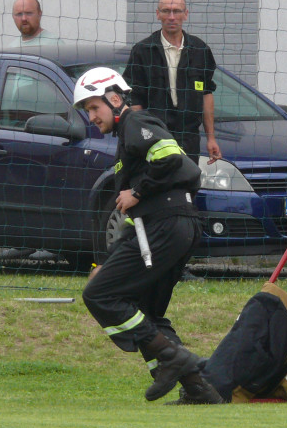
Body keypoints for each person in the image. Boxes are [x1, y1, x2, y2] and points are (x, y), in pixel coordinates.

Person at [74, 66, 221, 404]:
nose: (92, 117)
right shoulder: (128, 137)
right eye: (88, 111)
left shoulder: (135, 124)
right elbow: (131, 222)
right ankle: (200, 391)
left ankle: (172, 359)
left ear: (114, 98)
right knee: (147, 313)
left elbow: (172, 159)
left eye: (94, 108)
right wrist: (106, 260)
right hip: (175, 226)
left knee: (98, 295)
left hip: (164, 225)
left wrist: (137, 192)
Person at [124, 0, 222, 163]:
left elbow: (206, 94)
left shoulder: (200, 50)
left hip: (189, 138)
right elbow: (135, 99)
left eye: (176, 11)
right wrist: (139, 136)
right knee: (157, 186)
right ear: (157, 14)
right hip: (154, 137)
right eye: (166, 11)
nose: (171, 17)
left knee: (187, 186)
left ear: (186, 14)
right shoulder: (143, 50)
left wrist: (211, 138)